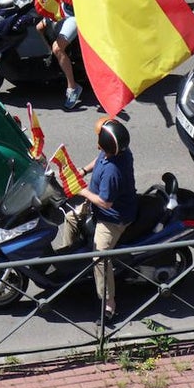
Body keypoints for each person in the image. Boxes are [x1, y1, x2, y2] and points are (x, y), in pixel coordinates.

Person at [54, 118, 137, 323]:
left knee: (100, 255)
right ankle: (70, 264)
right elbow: (98, 158)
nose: (97, 139)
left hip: (113, 218)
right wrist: (82, 171)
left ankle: (109, 303)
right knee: (71, 217)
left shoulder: (113, 172)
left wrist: (80, 190)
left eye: (99, 138)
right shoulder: (117, 151)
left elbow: (105, 202)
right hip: (96, 204)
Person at [37, 0, 81, 111]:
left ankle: (73, 87)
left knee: (58, 48)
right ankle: (53, 56)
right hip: (61, 8)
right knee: (39, 28)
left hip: (75, 15)